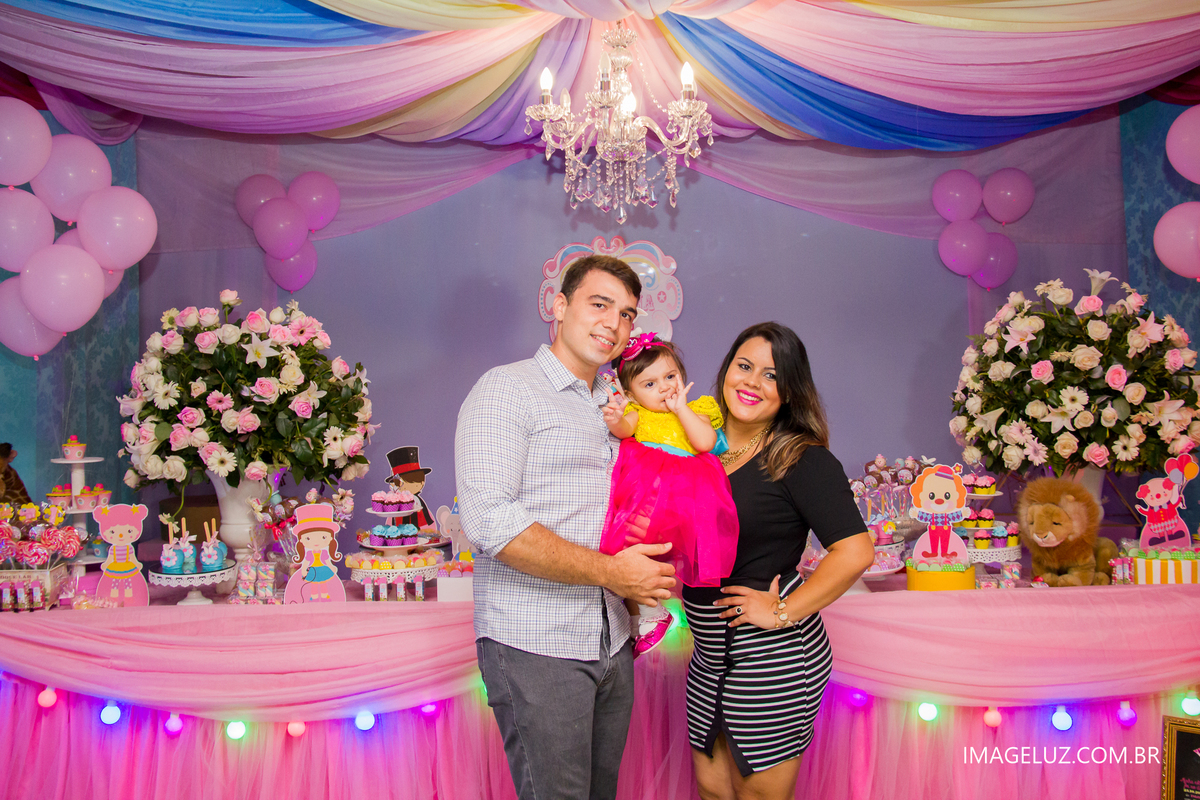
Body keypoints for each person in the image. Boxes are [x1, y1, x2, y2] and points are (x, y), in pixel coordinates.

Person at [455, 254, 677, 800]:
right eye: (599, 304)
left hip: (612, 638)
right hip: (536, 642)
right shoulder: (507, 389)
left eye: (626, 314)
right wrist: (614, 572)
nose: (613, 323)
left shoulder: (617, 404)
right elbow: (490, 520)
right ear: (558, 306)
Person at [685, 322, 874, 800]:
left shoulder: (801, 459)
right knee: (712, 790)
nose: (752, 382)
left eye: (771, 375)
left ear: (789, 391)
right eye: (744, 366)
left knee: (758, 796)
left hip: (773, 659)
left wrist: (782, 611)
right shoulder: (695, 446)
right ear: (727, 370)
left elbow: (856, 550)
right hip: (708, 656)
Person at [599, 332, 739, 654]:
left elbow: (705, 442)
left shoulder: (698, 409)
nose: (664, 387)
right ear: (631, 394)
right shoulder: (639, 413)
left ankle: (651, 615)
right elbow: (624, 429)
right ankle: (649, 615)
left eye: (670, 377)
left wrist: (681, 410)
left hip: (687, 498)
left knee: (665, 555)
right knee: (628, 549)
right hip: (647, 496)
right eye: (650, 384)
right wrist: (616, 418)